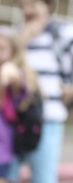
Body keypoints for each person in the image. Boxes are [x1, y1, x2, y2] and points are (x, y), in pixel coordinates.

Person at [8, 0, 73, 183]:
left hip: (48, 120)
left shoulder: (64, 33)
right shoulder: (12, 36)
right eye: (22, 5)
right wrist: (22, 39)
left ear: (48, 5)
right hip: (11, 120)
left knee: (43, 178)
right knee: (7, 175)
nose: (27, 10)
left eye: (33, 4)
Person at [0, 26, 39, 183]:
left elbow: (11, 75)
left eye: (2, 48)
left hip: (3, 150)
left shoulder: (14, 73)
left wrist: (7, 74)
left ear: (13, 52)